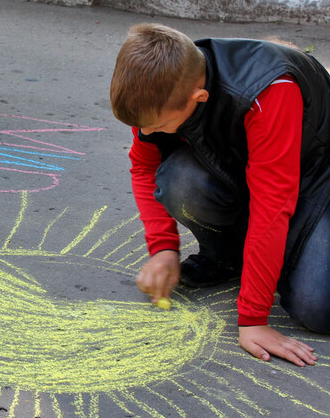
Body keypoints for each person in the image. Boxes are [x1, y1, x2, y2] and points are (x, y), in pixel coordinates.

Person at [109, 22, 330, 367]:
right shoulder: (160, 88)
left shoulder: (268, 91)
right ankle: (231, 259)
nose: (146, 132)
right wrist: (163, 249)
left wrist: (254, 319)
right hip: (247, 166)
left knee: (316, 306)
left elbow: (271, 206)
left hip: (317, 178)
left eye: (156, 125)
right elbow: (143, 167)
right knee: (180, 181)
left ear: (198, 98)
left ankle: (284, 255)